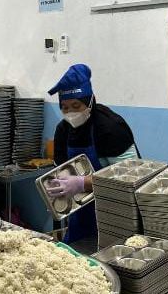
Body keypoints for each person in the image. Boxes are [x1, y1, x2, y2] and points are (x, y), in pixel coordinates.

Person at [45, 64, 140, 243]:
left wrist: (83, 183)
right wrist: (56, 192)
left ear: (90, 101)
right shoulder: (63, 130)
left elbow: (130, 177)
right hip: (81, 215)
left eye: (76, 105)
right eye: (64, 107)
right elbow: (60, 172)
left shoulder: (111, 128)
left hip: (116, 213)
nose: (70, 112)